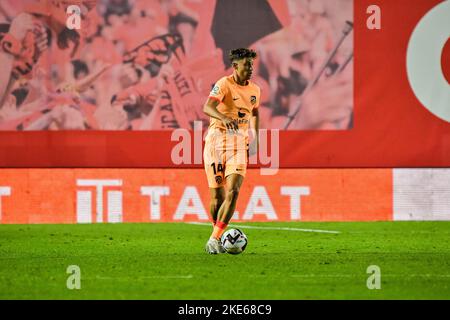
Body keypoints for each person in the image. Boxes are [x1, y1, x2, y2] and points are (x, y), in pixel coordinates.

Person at [202, 48, 260, 254]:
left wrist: (256, 137)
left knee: (234, 191)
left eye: (252, 64)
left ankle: (214, 238)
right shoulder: (224, 84)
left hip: (238, 145)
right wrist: (224, 118)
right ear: (235, 66)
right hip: (216, 144)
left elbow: (255, 112)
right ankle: (215, 234)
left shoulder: (255, 90)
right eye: (247, 64)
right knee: (218, 196)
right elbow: (207, 107)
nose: (251, 68)